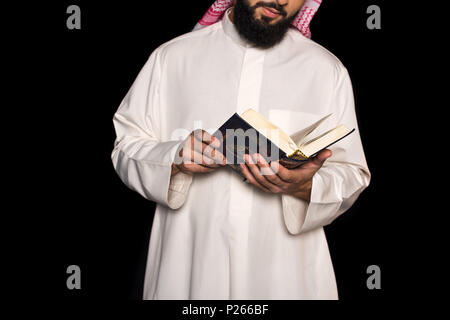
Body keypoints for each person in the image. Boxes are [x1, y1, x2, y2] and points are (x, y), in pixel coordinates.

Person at [111, 0, 370, 299]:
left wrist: (307, 186)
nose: (280, 0)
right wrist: (175, 158)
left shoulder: (326, 70)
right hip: (188, 268)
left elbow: (352, 174)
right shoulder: (171, 58)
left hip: (285, 277)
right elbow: (125, 148)